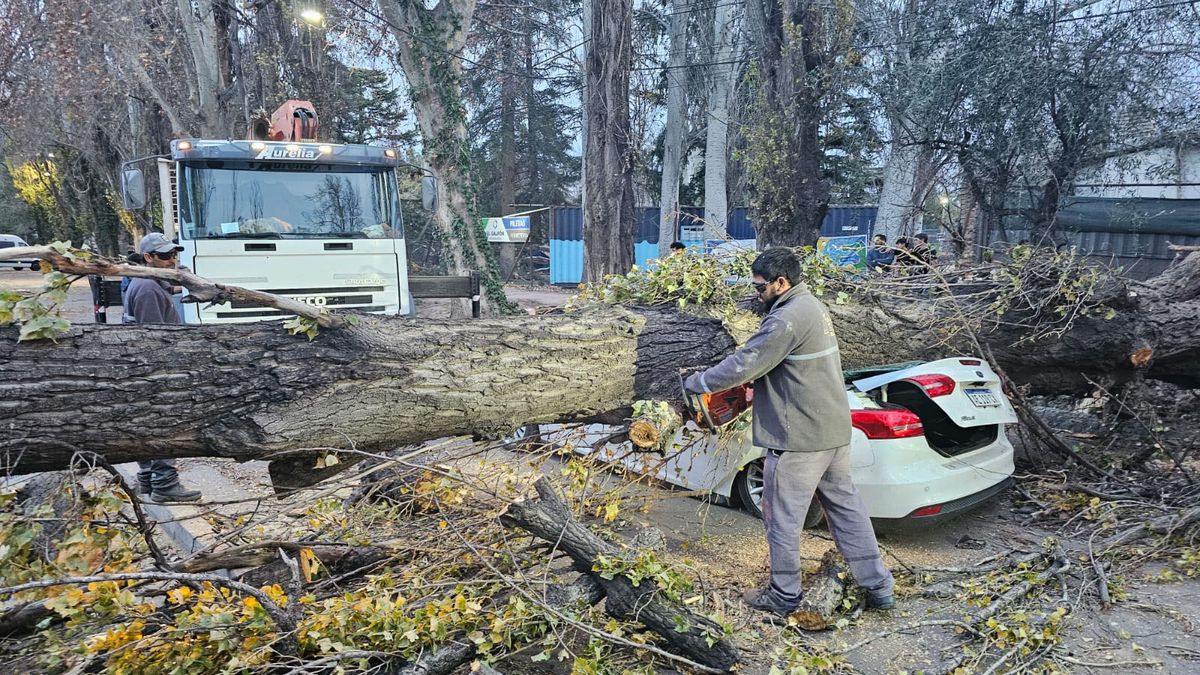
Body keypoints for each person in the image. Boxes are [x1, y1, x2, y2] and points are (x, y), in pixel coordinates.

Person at [684, 247, 894, 616]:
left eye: (760, 287)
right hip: (832, 431)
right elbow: (787, 366)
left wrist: (697, 382)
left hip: (798, 439)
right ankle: (878, 586)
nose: (756, 294)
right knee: (847, 511)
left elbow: (744, 364)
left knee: (781, 517)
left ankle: (783, 595)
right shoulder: (812, 306)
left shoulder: (785, 320)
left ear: (782, 282)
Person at [123, 233, 203, 504]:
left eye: (174, 255)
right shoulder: (146, 290)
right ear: (148, 258)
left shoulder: (147, 283)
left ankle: (147, 479)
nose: (173, 260)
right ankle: (165, 484)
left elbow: (166, 291)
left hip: (140, 371)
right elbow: (154, 339)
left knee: (146, 426)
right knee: (164, 426)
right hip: (154, 371)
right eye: (167, 256)